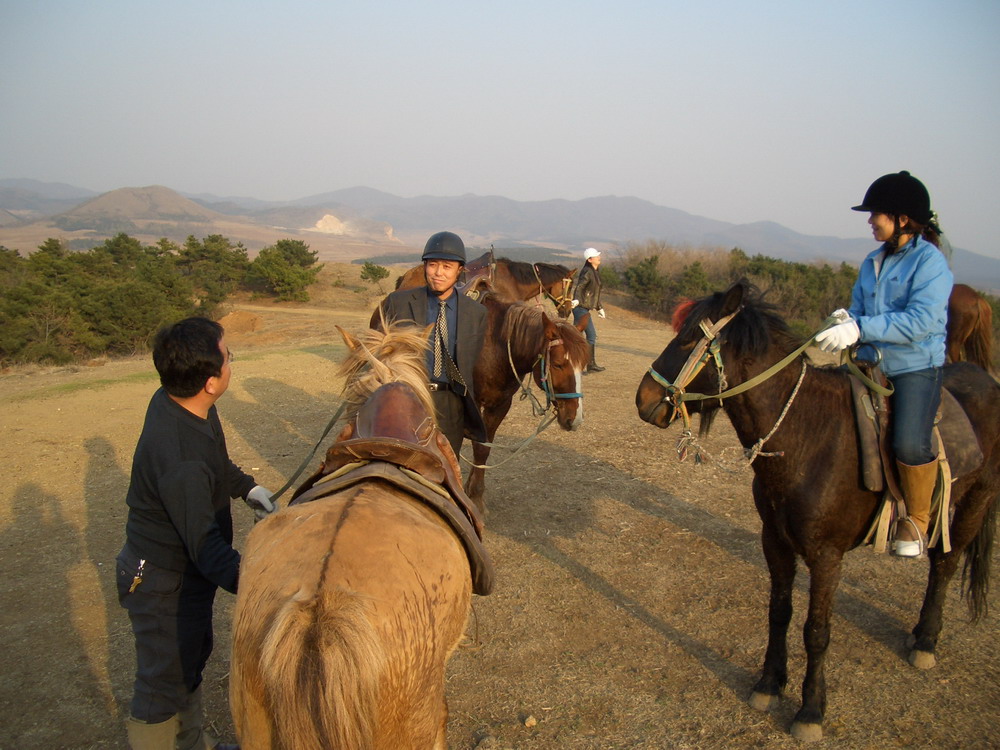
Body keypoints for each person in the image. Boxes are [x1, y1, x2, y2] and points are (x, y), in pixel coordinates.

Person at [116, 317, 276, 749]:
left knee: (190, 661)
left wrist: (247, 488)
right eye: (228, 356)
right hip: (164, 581)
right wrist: (266, 587)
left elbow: (216, 461)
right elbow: (208, 550)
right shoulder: (180, 460)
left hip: (185, 574)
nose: (231, 361)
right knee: (160, 685)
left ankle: (192, 743)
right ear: (210, 381)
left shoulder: (182, 402)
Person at [815, 171, 953, 558]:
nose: (870, 220)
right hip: (868, 364)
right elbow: (860, 309)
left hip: (913, 367)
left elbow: (920, 321)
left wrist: (860, 327)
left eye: (876, 213)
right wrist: (846, 320)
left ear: (903, 219)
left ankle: (918, 520)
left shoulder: (930, 264)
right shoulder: (872, 261)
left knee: (909, 441)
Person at [379, 231, 488, 456]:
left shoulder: (476, 313)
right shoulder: (397, 302)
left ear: (460, 270)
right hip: (406, 397)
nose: (438, 273)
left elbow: (471, 364)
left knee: (444, 471)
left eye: (447, 266)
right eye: (432, 265)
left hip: (450, 405)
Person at [571, 247, 607, 373]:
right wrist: (576, 299)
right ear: (590, 259)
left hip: (584, 309)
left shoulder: (595, 272)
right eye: (596, 256)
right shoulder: (587, 271)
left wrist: (599, 308)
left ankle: (587, 364)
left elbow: (594, 294)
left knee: (576, 336)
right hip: (580, 309)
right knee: (588, 336)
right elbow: (580, 287)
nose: (599, 257)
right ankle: (586, 365)